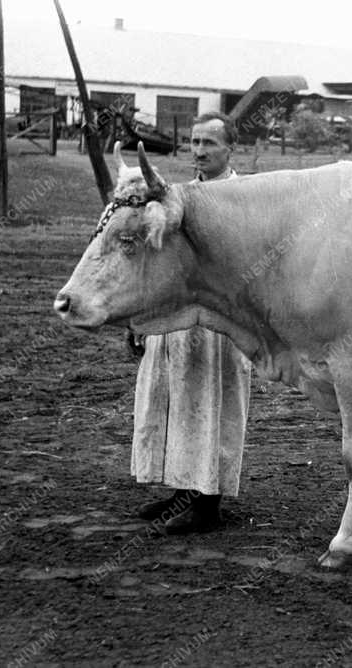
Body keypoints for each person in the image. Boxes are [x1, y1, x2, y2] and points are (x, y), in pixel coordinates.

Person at [128, 111, 252, 534]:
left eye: (209, 144)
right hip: (173, 319)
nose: (199, 151)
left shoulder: (244, 199)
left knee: (210, 403)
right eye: (195, 142)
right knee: (173, 401)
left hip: (220, 322)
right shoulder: (175, 196)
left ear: (230, 149)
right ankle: (182, 489)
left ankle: (207, 504)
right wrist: (141, 318)